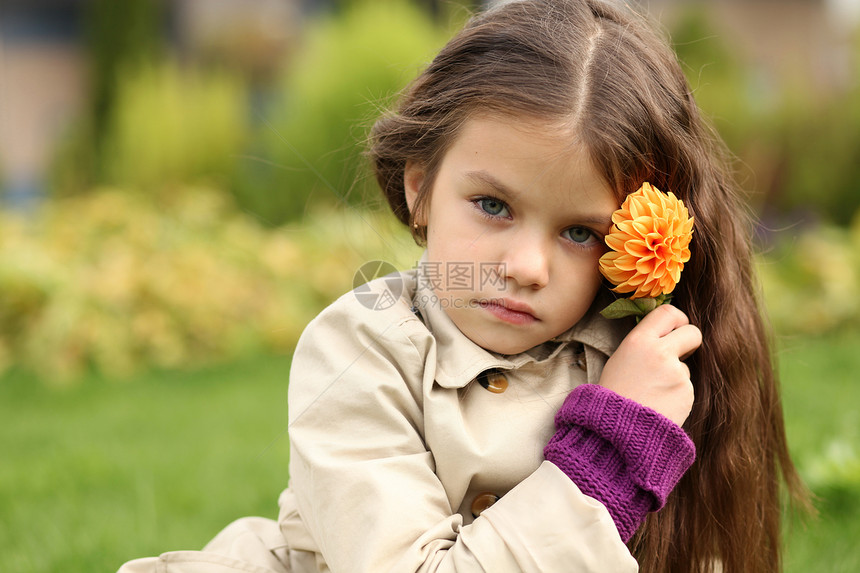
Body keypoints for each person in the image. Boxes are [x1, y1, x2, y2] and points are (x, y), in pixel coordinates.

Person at [119, 0, 809, 571]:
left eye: (579, 233)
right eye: (493, 206)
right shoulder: (361, 349)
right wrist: (602, 460)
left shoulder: (642, 373)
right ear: (421, 189)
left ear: (635, 244)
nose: (526, 266)